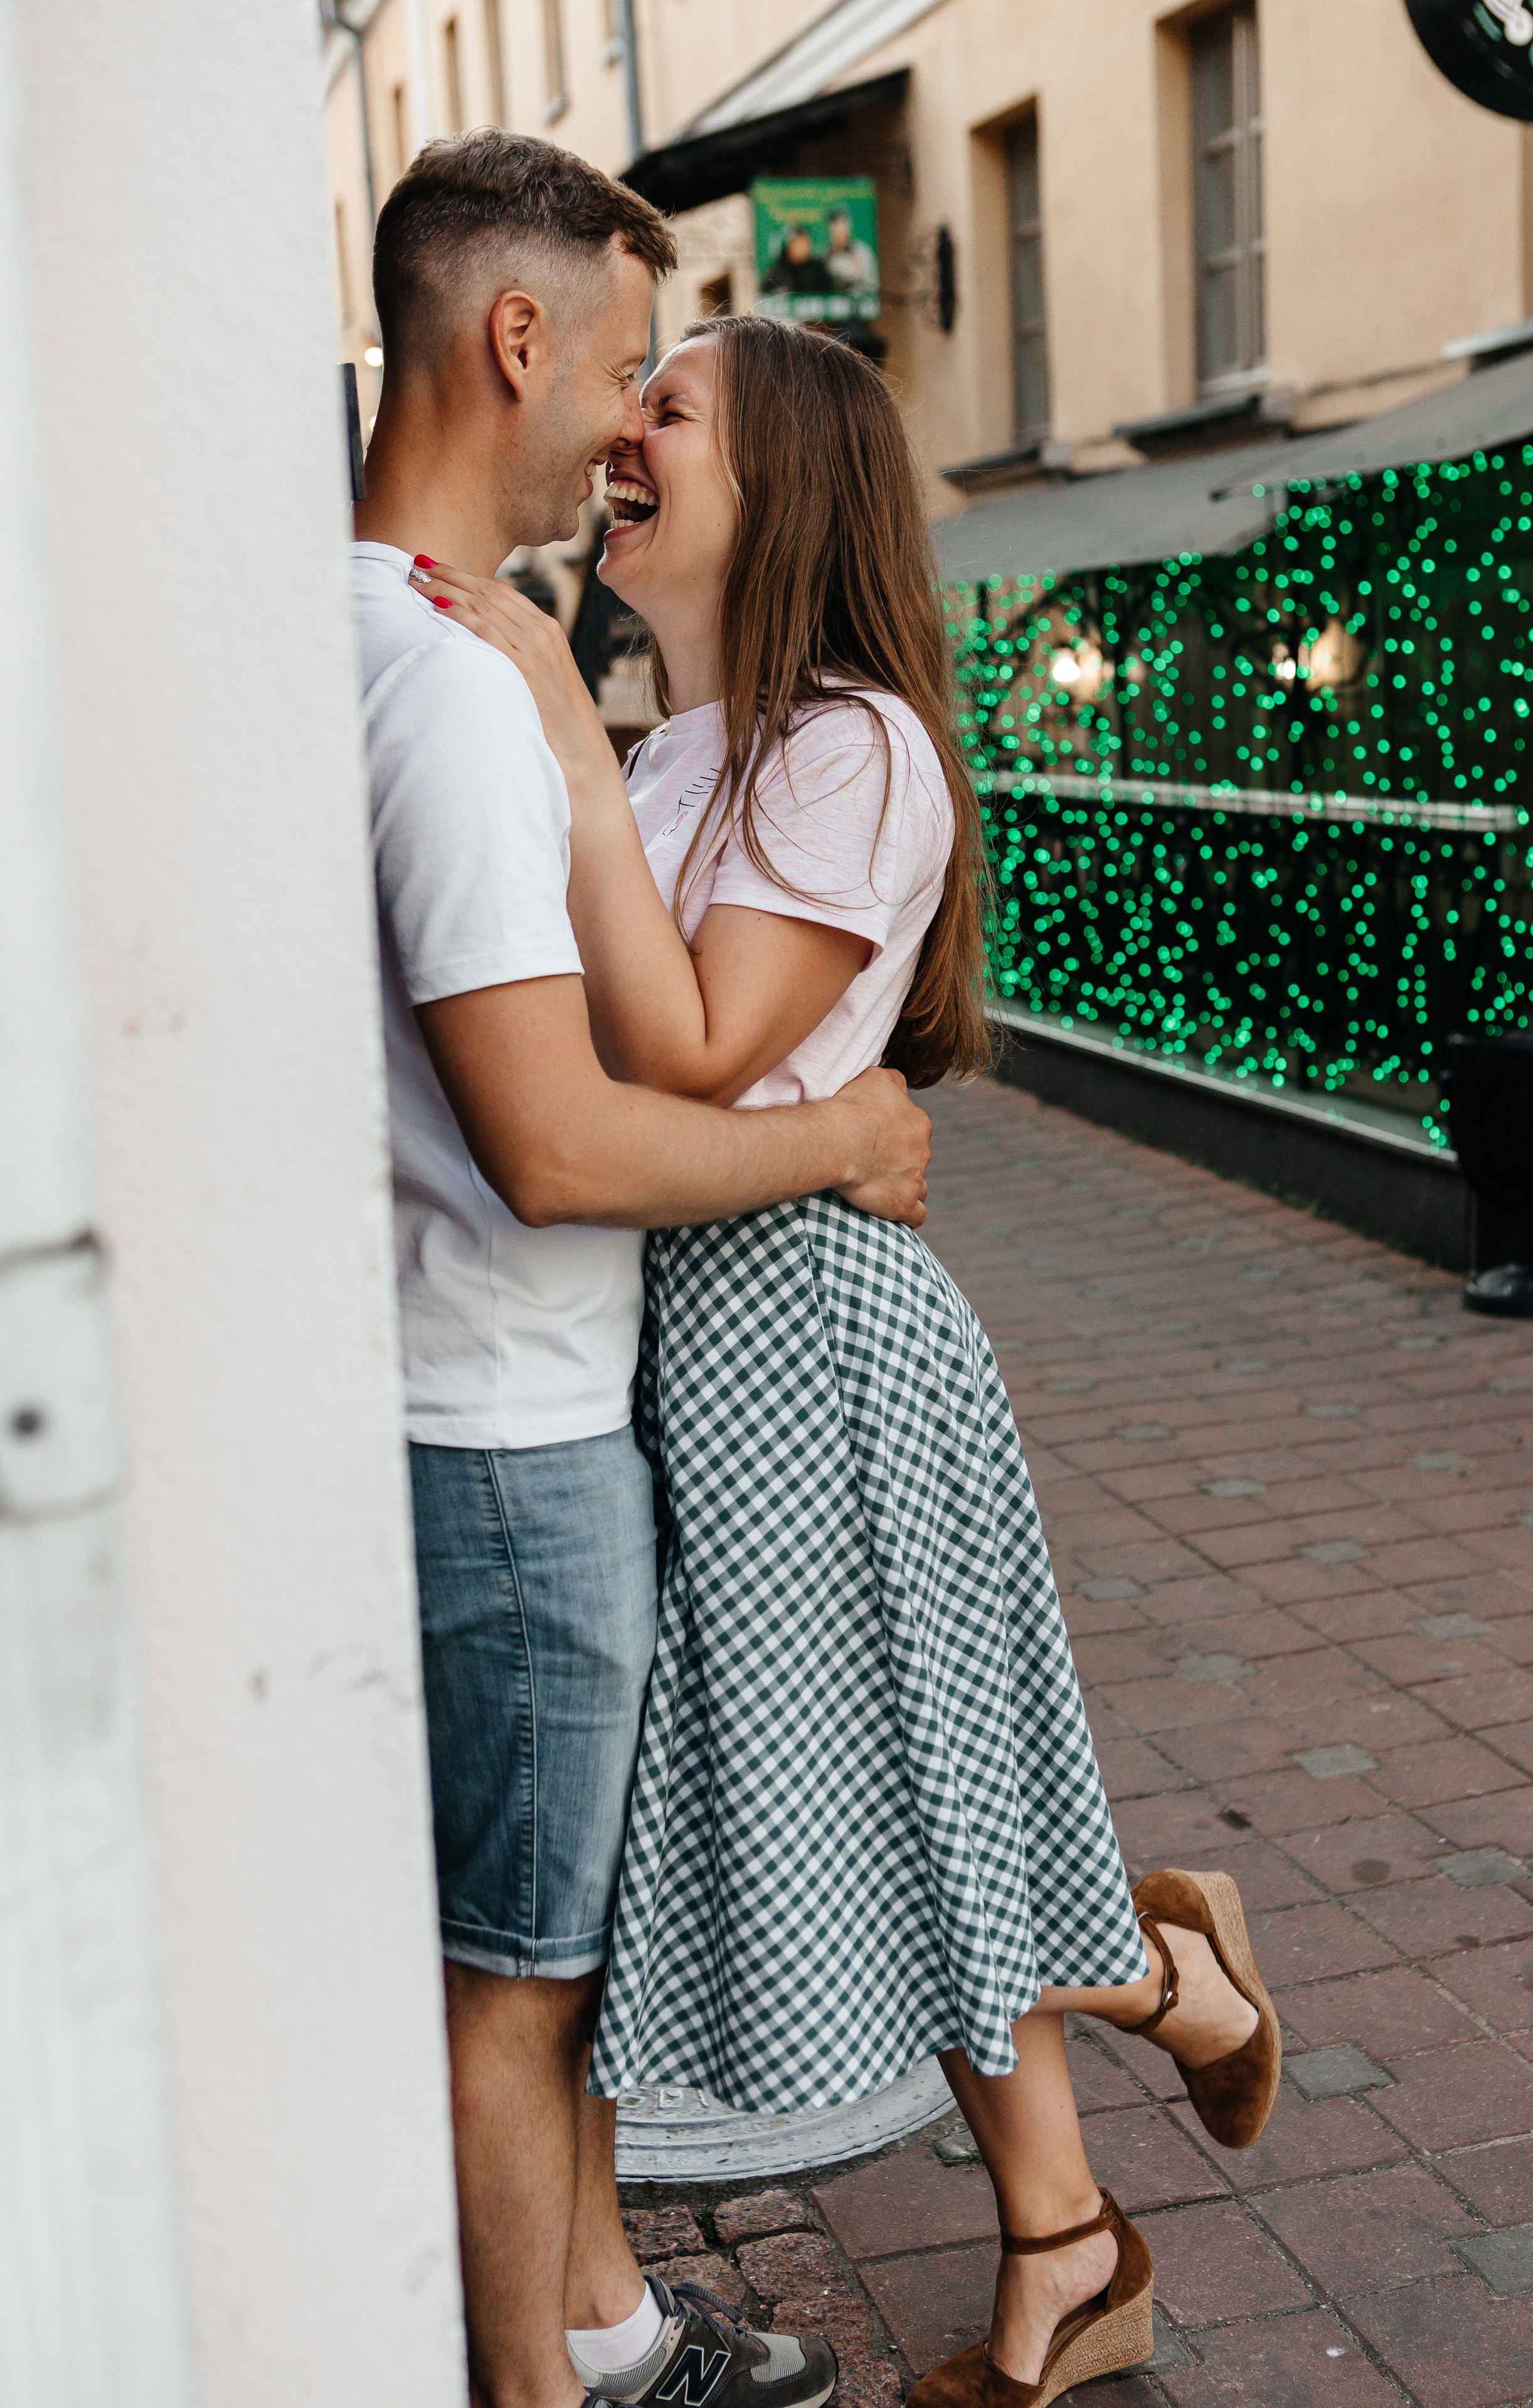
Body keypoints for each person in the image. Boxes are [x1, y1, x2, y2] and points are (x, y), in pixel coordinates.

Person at [415, 314, 1283, 2408]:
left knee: (876, 1801)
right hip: (696, 1338)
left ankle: (1166, 1997)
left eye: (670, 412)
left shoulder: (854, 740)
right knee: (876, 1799)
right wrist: (582, 750)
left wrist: (544, 707)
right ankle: (1083, 2204)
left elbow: (692, 1051)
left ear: (783, 477)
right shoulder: (684, 753)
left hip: (820, 1337)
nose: (624, 436)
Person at [350, 132, 933, 2408]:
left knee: (629, 1914)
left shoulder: (457, 670)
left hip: (598, 1381)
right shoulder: (475, 691)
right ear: (519, 340)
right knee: (532, 1971)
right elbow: (569, 1128)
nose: (624, 418)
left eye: (673, 398)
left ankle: (603, 2324)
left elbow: (640, 1042)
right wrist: (854, 1134)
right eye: (625, 364)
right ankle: (559, 2368)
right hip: (517, 1405)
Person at [759, 224, 833, 297]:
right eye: (798, 242)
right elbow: (765, 295)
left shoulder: (818, 270)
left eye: (805, 243)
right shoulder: (778, 272)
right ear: (789, 245)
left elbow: (831, 294)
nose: (803, 247)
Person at [823, 207, 877, 298]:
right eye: (835, 224)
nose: (840, 228)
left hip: (865, 304)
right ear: (830, 228)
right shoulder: (825, 258)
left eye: (843, 223)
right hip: (839, 306)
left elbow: (873, 284)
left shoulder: (862, 251)